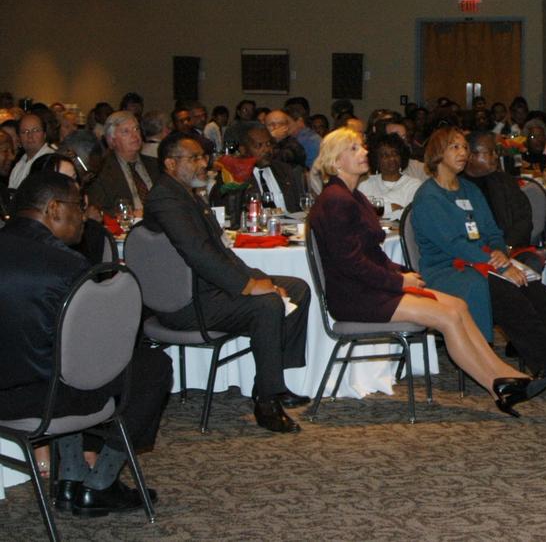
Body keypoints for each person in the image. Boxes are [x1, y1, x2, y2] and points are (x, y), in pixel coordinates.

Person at [307, 129, 546, 416]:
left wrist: (402, 273)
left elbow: (371, 255)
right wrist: (399, 280)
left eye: (361, 147)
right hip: (356, 296)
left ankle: (504, 378)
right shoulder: (336, 199)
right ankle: (497, 383)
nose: (363, 152)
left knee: (458, 305)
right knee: (447, 315)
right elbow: (350, 263)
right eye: (353, 149)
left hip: (370, 288)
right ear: (336, 162)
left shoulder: (353, 196)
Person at [0, 172, 171, 516]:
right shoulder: (67, 266)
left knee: (63, 360)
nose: (86, 214)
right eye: (79, 206)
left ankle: (70, 476)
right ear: (53, 209)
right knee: (152, 367)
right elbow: (97, 353)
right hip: (38, 401)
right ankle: (101, 484)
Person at [412, 128, 546, 397]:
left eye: (464, 147)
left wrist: (500, 254)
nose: (463, 153)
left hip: (482, 262)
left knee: (536, 290)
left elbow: (492, 232)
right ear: (437, 154)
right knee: (508, 294)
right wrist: (500, 265)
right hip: (448, 271)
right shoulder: (429, 196)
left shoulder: (469, 189)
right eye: (454, 148)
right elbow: (453, 244)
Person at [143, 133, 312, 433]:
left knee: (297, 288)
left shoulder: (187, 195)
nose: (203, 163)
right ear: (170, 163)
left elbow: (221, 252)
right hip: (188, 303)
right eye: (193, 158)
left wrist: (258, 279)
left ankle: (273, 381)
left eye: (203, 157)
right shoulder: (165, 197)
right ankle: (266, 402)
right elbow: (198, 253)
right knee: (266, 304)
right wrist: (249, 287)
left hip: (210, 289)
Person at [87, 111, 162, 214]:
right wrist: (131, 214)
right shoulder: (101, 172)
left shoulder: (156, 165)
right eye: (126, 132)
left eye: (136, 129)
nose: (134, 135)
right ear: (112, 140)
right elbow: (100, 211)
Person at [239, 126, 307, 212]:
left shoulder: (284, 170)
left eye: (268, 144)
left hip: (289, 224)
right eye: (259, 146)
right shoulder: (236, 177)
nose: (267, 150)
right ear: (243, 150)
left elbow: (299, 207)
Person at [357, 132, 422, 221]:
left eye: (395, 153)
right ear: (377, 159)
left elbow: (407, 217)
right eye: (385, 155)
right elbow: (359, 214)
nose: (391, 158)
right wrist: (391, 207)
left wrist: (376, 209)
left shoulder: (414, 185)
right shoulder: (364, 184)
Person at [9, 112, 56, 190]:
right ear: (19, 138)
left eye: (35, 130)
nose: (30, 136)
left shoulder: (50, 161)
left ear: (44, 134)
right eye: (24, 132)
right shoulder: (20, 162)